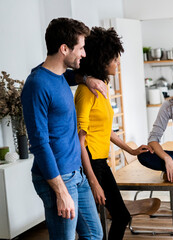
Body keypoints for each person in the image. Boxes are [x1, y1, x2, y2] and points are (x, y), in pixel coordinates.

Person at [21, 18, 105, 239]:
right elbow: (38, 143)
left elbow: (69, 76)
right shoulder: (37, 84)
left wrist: (87, 79)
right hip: (58, 178)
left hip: (76, 172)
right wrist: (60, 191)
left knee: (94, 234)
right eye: (81, 48)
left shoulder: (58, 76)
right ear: (64, 48)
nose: (84, 54)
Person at [74, 27, 152, 240]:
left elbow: (105, 130)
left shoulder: (102, 87)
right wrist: (93, 181)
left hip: (100, 161)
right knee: (92, 229)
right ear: (102, 59)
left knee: (121, 216)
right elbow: (80, 141)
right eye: (115, 58)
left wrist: (131, 150)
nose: (118, 63)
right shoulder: (85, 92)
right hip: (89, 162)